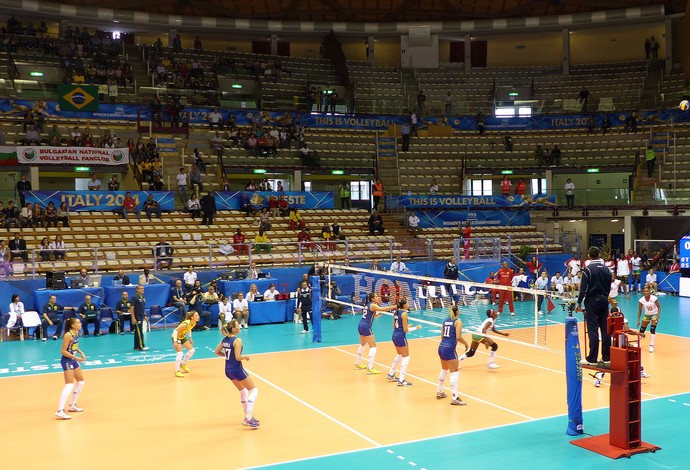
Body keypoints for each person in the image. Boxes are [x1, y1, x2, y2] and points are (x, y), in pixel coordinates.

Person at [214, 320, 260, 428]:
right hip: (236, 369)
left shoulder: (224, 340)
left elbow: (216, 352)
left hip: (228, 370)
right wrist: (246, 357)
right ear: (234, 329)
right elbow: (238, 357)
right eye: (238, 326)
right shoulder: (237, 340)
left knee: (242, 390)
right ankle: (248, 417)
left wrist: (227, 357)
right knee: (253, 390)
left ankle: (247, 417)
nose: (239, 327)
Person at [577, 246, 612, 366]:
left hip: (592, 301)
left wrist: (578, 303)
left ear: (589, 256)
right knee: (605, 330)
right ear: (599, 255)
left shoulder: (588, 270)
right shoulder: (607, 270)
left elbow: (583, 289)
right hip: (604, 300)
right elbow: (608, 287)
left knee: (593, 329)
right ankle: (607, 357)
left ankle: (592, 359)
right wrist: (605, 297)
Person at [354, 292, 397, 374]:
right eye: (376, 296)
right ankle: (370, 368)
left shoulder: (368, 305)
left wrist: (376, 315)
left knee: (362, 345)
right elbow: (384, 309)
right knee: (373, 347)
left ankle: (358, 363)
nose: (378, 298)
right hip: (366, 327)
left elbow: (368, 315)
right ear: (372, 298)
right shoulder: (373, 305)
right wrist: (395, 306)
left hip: (361, 325)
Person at [437, 304, 469, 405]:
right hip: (449, 349)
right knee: (454, 372)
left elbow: (442, 336)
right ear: (457, 312)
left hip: (441, 347)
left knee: (444, 369)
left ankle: (440, 391)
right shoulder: (458, 321)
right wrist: (466, 343)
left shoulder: (445, 321)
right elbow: (458, 337)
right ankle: (455, 397)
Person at [55, 318, 87, 420]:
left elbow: (73, 346)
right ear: (73, 325)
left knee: (81, 381)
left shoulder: (75, 333)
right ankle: (60, 411)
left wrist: (81, 352)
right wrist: (77, 358)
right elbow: (63, 351)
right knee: (69, 385)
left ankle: (72, 405)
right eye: (78, 323)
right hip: (67, 361)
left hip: (72, 360)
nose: (80, 323)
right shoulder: (68, 335)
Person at [387, 298, 420, 387]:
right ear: (404, 305)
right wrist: (415, 328)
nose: (408, 304)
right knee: (406, 357)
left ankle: (391, 374)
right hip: (401, 337)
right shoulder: (404, 314)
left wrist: (406, 326)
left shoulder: (396, 312)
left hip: (394, 335)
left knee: (399, 355)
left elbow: (395, 326)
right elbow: (405, 330)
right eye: (407, 303)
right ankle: (401, 380)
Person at [172, 311, 199, 378]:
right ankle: (177, 371)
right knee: (180, 353)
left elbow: (189, 329)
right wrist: (175, 341)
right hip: (176, 337)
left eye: (198, 315)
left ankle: (183, 364)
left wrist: (190, 337)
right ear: (192, 317)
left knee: (192, 350)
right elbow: (175, 330)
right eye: (196, 315)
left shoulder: (194, 323)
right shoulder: (185, 323)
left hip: (182, 337)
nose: (198, 316)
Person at [637, 286, 661, 353]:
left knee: (652, 329)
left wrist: (657, 317)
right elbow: (639, 310)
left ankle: (651, 346)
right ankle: (637, 342)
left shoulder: (654, 298)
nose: (646, 292)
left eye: (647, 291)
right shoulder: (641, 300)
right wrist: (638, 320)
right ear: (643, 292)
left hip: (654, 314)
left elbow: (659, 308)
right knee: (642, 330)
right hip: (647, 315)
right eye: (645, 291)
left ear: (649, 291)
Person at [130, 284, 150, 351]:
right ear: (137, 289)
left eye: (143, 288)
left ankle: (136, 346)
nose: (142, 289)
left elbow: (143, 308)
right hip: (137, 316)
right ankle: (141, 346)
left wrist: (145, 316)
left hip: (141, 316)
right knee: (139, 332)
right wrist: (133, 317)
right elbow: (132, 308)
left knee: (137, 332)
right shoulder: (134, 297)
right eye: (141, 288)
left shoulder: (143, 298)